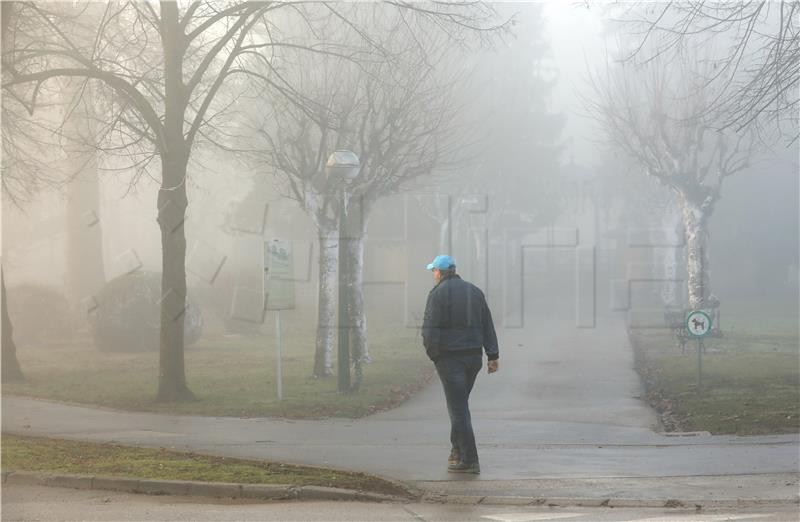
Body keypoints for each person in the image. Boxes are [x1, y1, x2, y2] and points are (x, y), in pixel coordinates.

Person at [422, 254, 499, 474]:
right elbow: (487, 324)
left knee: (458, 409)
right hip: (474, 358)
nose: (433, 275)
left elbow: (430, 329)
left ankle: (470, 459)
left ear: (439, 272)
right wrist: (493, 355)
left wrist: (435, 355)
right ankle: (456, 451)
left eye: (433, 271)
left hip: (450, 359)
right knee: (460, 405)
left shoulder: (437, 294)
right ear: (454, 270)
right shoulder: (475, 291)